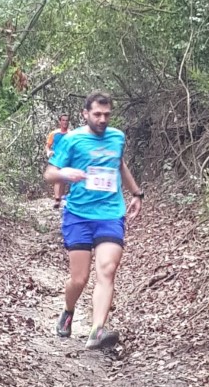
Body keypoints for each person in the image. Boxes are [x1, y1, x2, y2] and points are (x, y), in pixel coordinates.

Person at [44, 91, 143, 350]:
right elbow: (49, 174)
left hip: (110, 213)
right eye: (97, 114)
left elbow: (119, 164)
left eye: (107, 115)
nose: (102, 119)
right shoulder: (72, 140)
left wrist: (136, 193)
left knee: (107, 270)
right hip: (78, 215)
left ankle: (97, 330)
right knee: (79, 279)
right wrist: (65, 173)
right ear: (85, 114)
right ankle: (68, 310)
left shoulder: (117, 137)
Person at [45, 114, 70, 208]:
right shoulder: (54, 133)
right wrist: (48, 152)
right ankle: (57, 199)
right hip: (56, 158)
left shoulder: (71, 134)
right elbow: (47, 145)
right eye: (63, 120)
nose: (65, 122)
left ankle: (61, 198)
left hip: (66, 158)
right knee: (57, 178)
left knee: (63, 179)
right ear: (60, 122)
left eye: (67, 120)